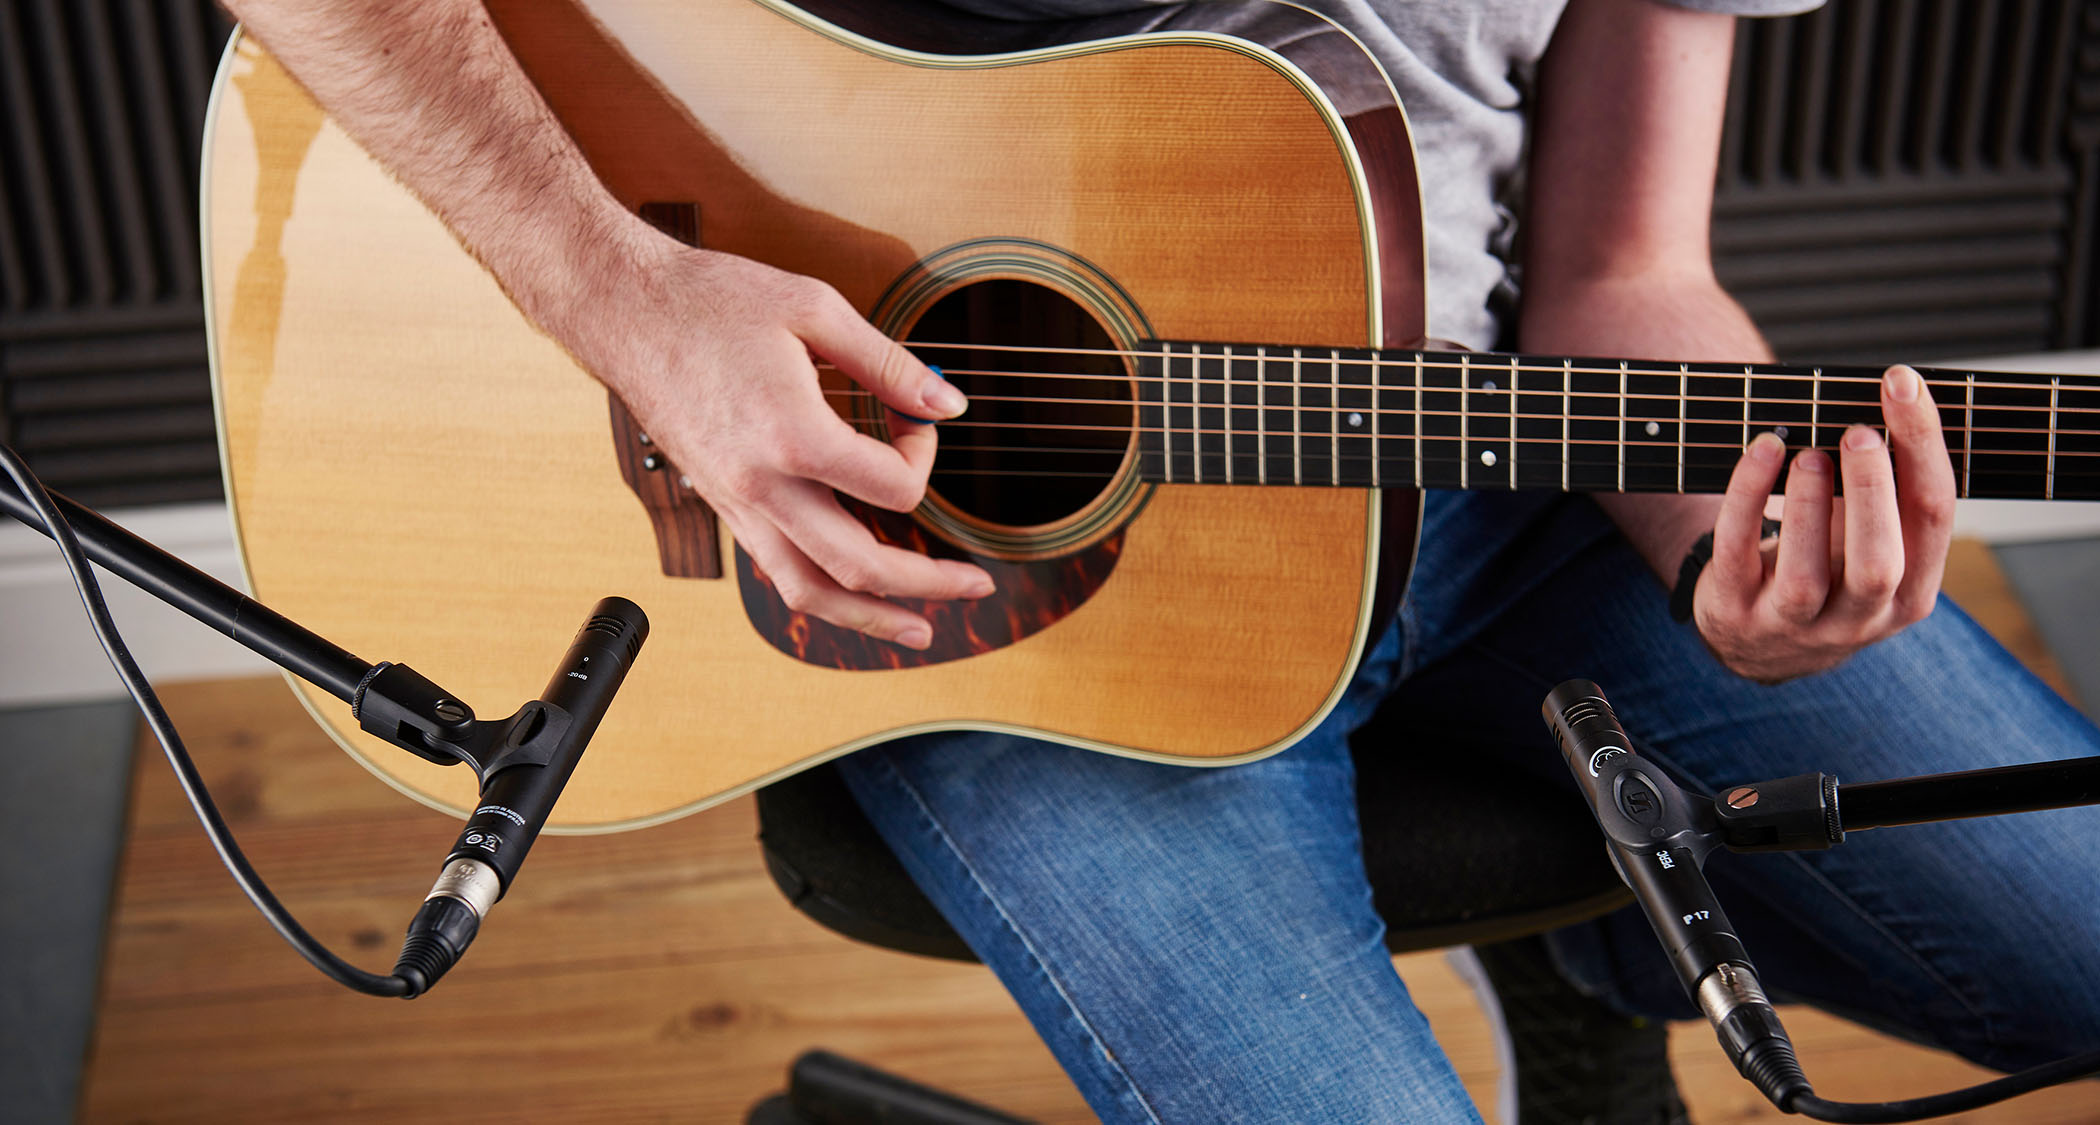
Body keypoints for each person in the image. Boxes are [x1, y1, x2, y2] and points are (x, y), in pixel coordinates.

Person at [222, 0, 2100, 1120]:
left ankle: (1600, 952)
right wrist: (625, 298)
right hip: (988, 580)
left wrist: (1745, 569)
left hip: (1497, 488)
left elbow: (1626, 278)